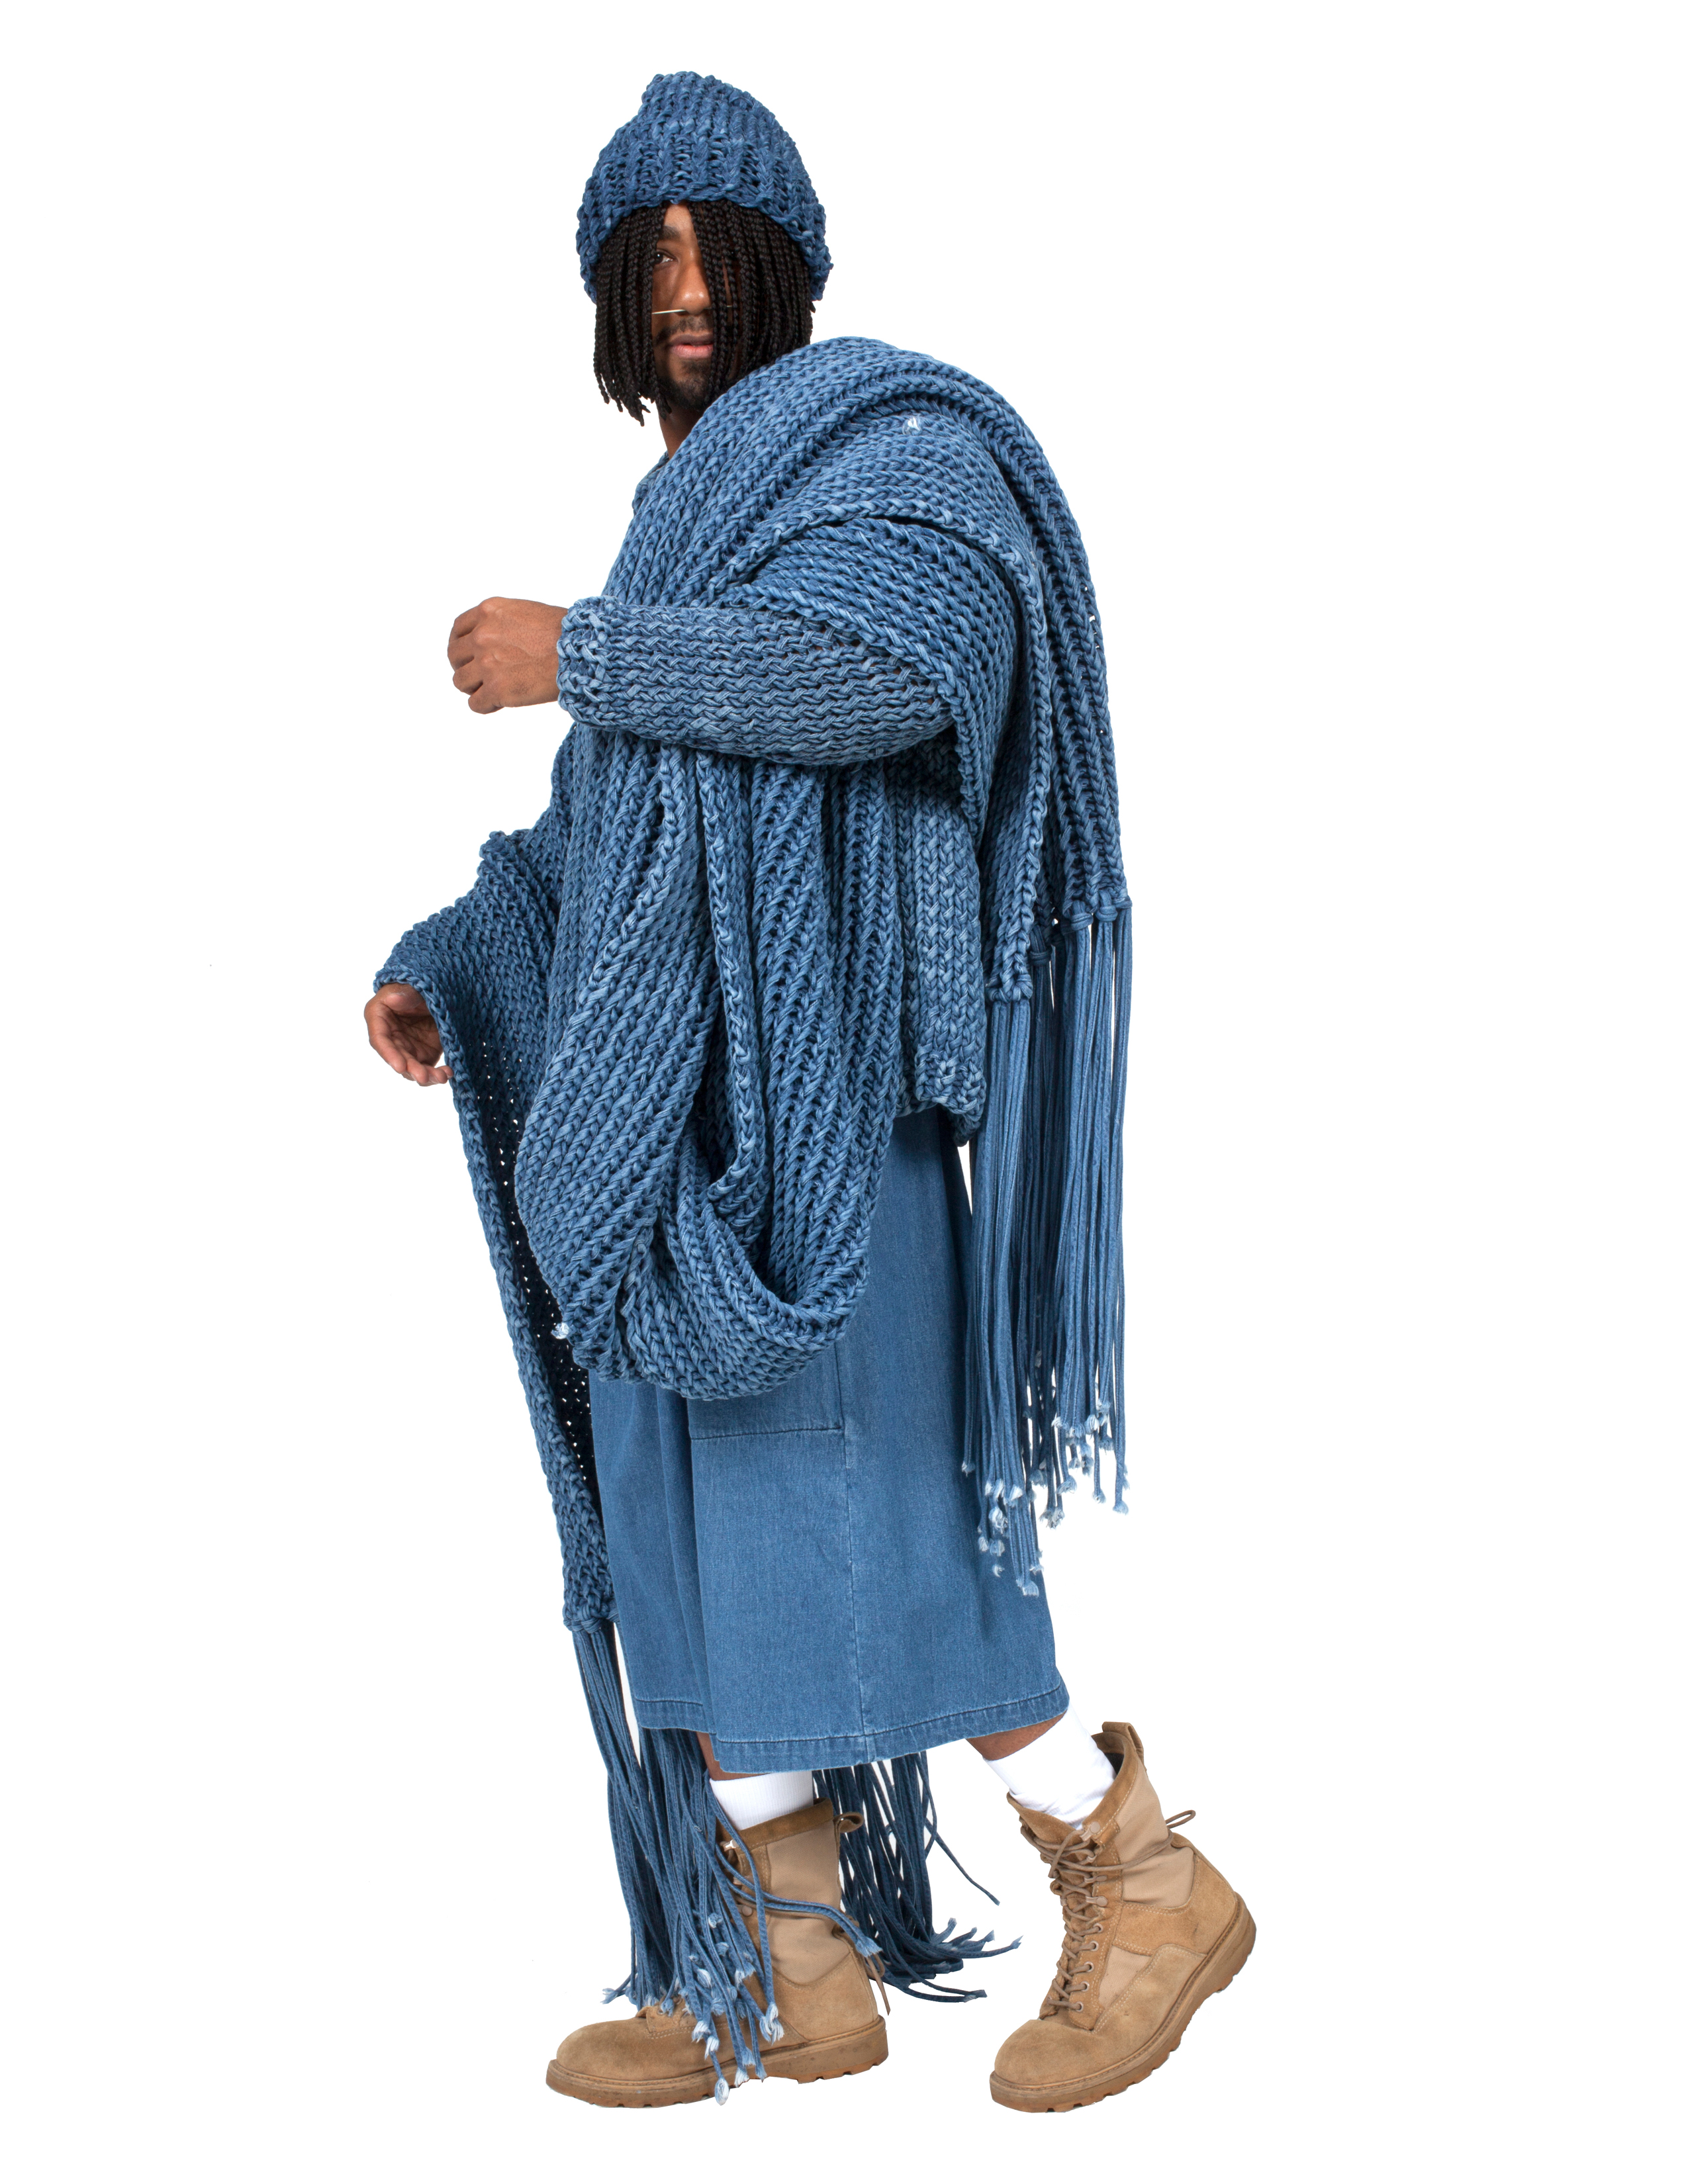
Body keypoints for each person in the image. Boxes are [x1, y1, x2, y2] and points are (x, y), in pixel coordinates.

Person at [366, 71, 1251, 2114]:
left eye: (714, 248)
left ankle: (1149, 1879)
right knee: (685, 1536)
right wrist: (448, 960)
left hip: (835, 1101)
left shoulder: (894, 449)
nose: (684, 291)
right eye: (647, 260)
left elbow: (883, 681)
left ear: (787, 263)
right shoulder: (677, 526)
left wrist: (584, 649)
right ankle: (790, 1959)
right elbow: (605, 841)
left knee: (883, 1525)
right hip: (666, 1118)